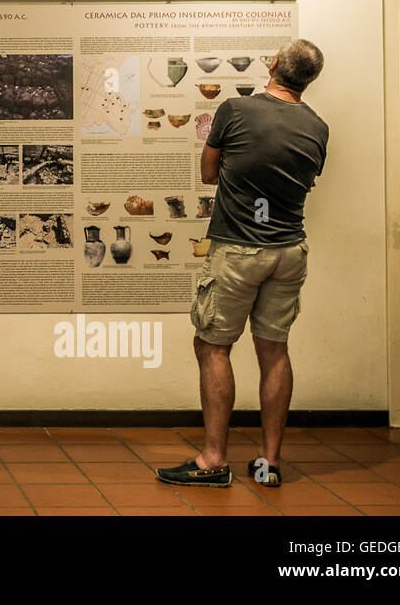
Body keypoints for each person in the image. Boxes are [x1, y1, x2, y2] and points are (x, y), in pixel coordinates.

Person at [158, 39, 329, 489]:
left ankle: (213, 459)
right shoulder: (318, 125)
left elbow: (208, 174)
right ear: (309, 80)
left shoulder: (235, 110)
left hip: (238, 249)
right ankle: (268, 463)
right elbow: (306, 183)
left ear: (273, 65)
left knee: (213, 346)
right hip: (289, 250)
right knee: (273, 350)